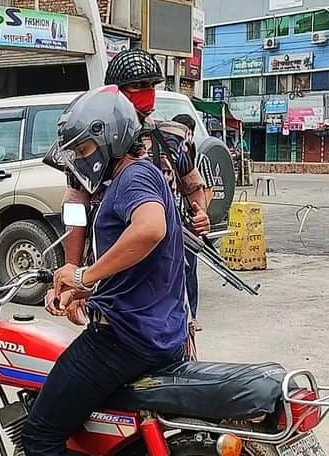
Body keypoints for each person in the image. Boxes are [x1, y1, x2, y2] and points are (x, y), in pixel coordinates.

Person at [27, 86, 187, 456]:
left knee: (41, 434)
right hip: (160, 329)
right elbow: (77, 208)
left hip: (126, 338)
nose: (80, 159)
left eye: (85, 149)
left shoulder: (134, 177)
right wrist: (75, 278)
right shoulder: (120, 176)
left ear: (111, 137)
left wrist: (86, 278)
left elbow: (150, 229)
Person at [53, 49, 211, 343]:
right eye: (137, 86)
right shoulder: (89, 139)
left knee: (172, 344)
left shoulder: (172, 137)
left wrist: (200, 213)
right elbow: (76, 209)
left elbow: (193, 187)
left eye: (151, 85)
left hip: (164, 263)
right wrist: (75, 268)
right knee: (110, 341)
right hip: (109, 263)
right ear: (115, 93)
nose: (146, 94)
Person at [171, 112, 200, 323]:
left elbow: (197, 187)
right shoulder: (169, 149)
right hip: (170, 220)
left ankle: (192, 315)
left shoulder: (188, 154)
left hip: (185, 222)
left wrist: (200, 214)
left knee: (189, 269)